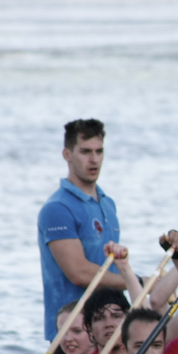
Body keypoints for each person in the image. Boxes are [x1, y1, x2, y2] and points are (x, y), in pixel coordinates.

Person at [37, 119, 125, 341]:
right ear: (67, 154)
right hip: (71, 334)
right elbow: (79, 273)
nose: (94, 159)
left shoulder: (108, 204)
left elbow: (111, 268)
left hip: (107, 330)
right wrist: (137, 282)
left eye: (99, 151)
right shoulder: (57, 208)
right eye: (85, 152)